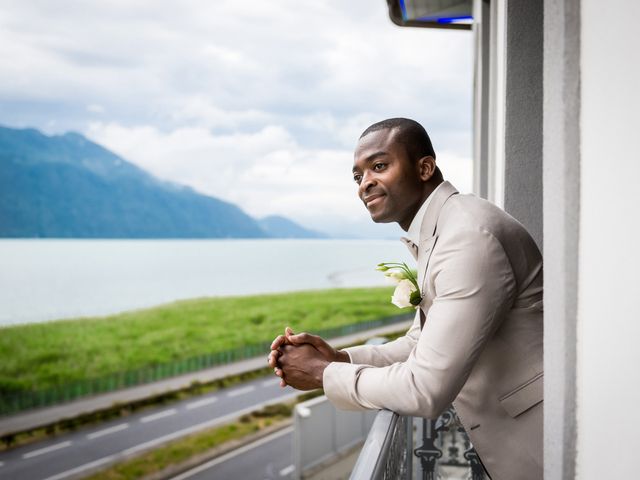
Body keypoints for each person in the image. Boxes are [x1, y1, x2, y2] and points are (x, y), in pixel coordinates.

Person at [268, 118, 543, 480]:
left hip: (541, 440)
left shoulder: (467, 238)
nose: (365, 183)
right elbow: (420, 343)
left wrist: (323, 373)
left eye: (379, 166)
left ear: (425, 167)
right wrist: (340, 357)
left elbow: (425, 389)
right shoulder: (445, 229)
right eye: (357, 176)